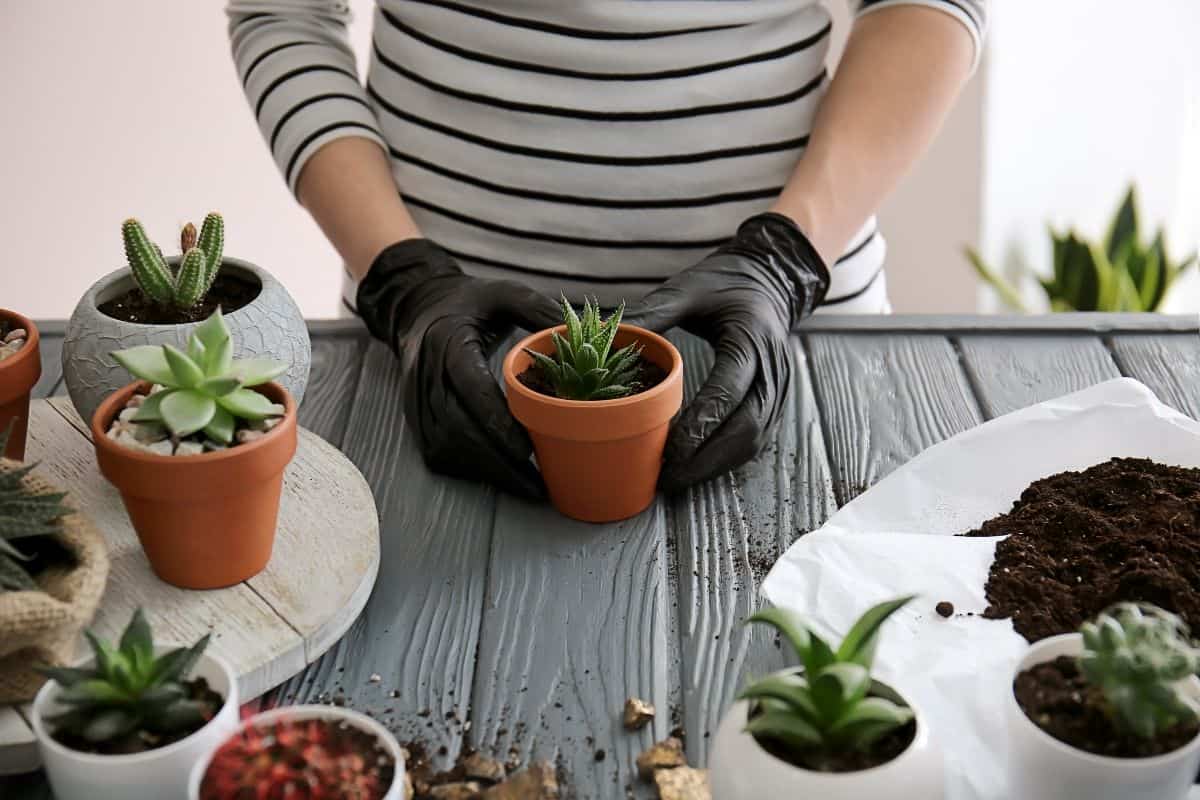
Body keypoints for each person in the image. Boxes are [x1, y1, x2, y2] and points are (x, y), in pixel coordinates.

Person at [228, 0, 986, 498]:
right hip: (437, 355)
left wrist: (786, 258)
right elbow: (283, 12)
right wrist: (402, 277)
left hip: (787, 328)